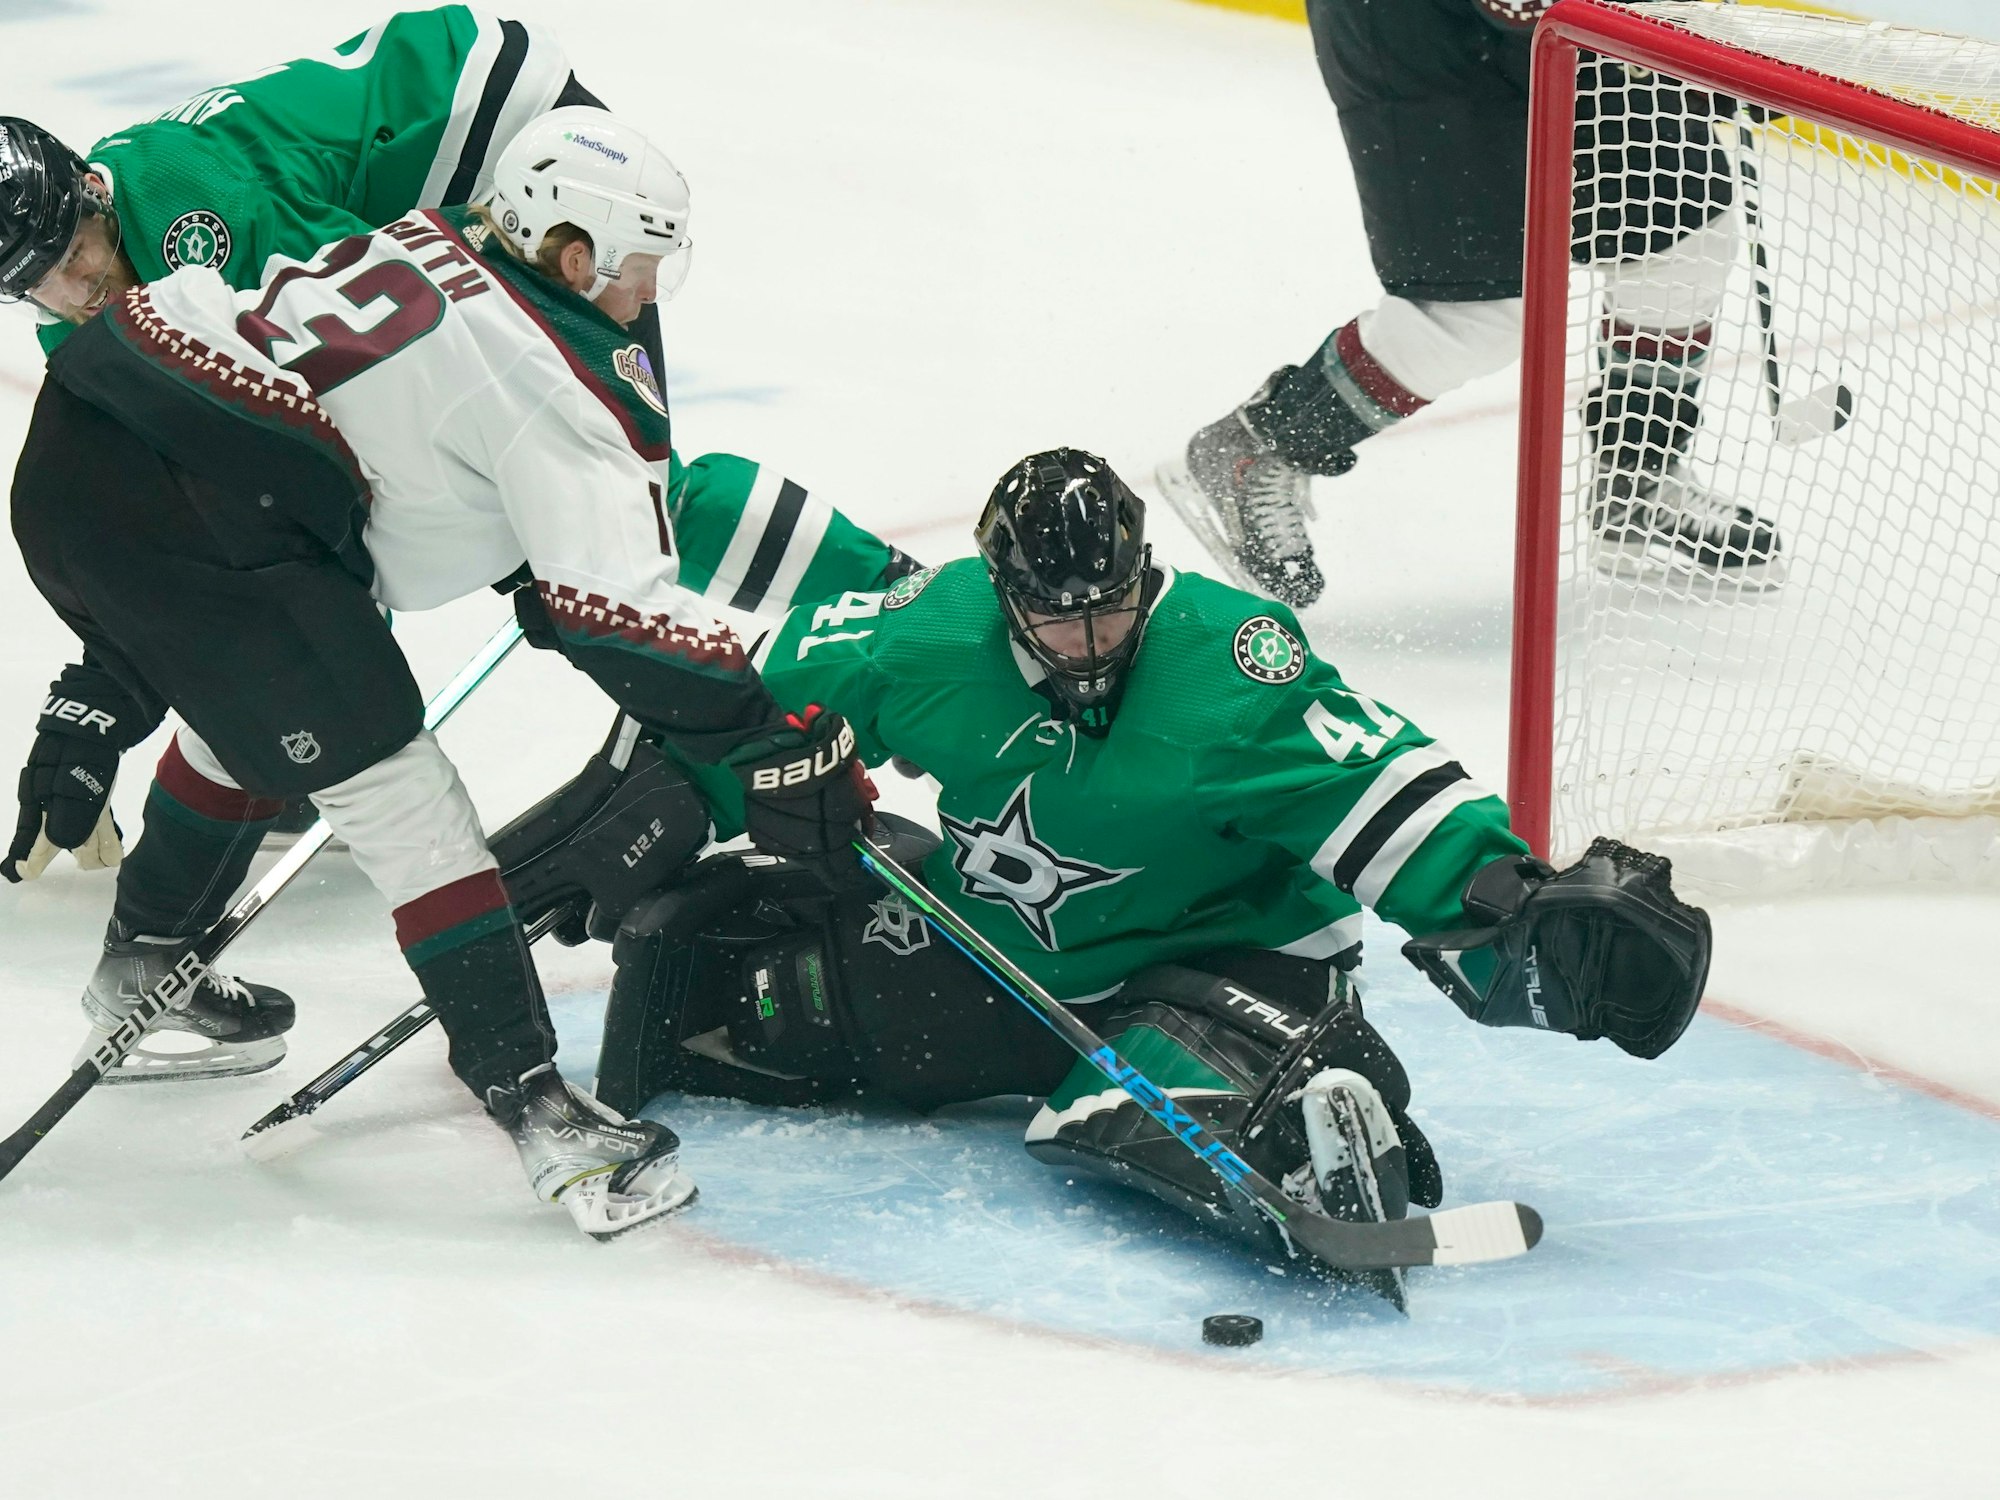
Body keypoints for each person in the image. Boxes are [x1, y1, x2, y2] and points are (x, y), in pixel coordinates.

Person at [8, 107, 874, 1238]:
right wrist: (760, 739)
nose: (650, 297)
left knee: (251, 715)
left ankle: (143, 967)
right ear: (574, 255)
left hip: (88, 442)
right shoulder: (555, 390)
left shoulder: (436, 236)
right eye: (641, 269)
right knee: (403, 800)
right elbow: (615, 618)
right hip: (197, 517)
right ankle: (544, 1118)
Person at [593, 448, 1712, 1294]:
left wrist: (1502, 898)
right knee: (766, 1017)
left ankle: (1315, 1116)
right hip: (1013, 949)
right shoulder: (926, 635)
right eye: (1052, 615)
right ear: (998, 590)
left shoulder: (1230, 669)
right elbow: (759, 706)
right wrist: (674, 797)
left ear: (1142, 572)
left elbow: (1375, 784)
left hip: (1229, 950)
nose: (1086, 640)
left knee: (1171, 1088)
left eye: (1109, 607)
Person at [0, 7, 912, 882]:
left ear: (90, 190)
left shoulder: (202, 219)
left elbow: (375, 367)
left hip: (509, 139)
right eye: (38, 286)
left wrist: (537, 556)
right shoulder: (90, 297)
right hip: (433, 142)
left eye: (76, 254)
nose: (76, 291)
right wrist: (104, 692)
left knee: (608, 471)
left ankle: (899, 594)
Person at [1155, 0, 1781, 608]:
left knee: (1680, 239)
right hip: (1418, 32)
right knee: (1476, 313)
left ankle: (1638, 481)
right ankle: (1256, 449)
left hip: (1569, 21)